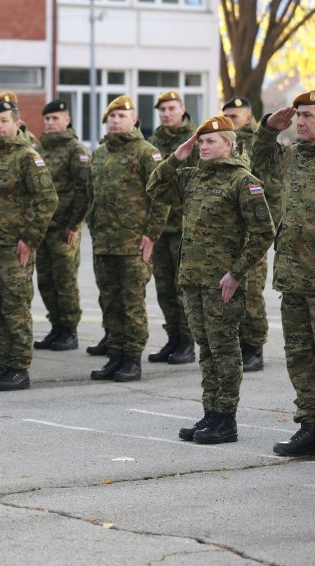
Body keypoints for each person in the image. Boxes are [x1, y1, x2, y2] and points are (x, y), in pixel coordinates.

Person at [148, 115, 274, 444]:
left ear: (229, 146)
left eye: (210, 142)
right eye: (201, 141)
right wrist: (177, 157)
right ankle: (210, 412)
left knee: (225, 350)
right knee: (205, 349)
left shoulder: (243, 181)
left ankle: (226, 419)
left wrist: (236, 273)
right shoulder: (192, 178)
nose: (203, 146)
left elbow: (264, 233)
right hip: (192, 278)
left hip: (223, 282)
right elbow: (155, 188)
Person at [0, 101, 58, 391]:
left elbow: (47, 199)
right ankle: (2, 363)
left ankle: (19, 367)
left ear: (17, 124)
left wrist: (30, 238)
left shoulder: (27, 157)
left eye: (3, 121)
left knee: (15, 307)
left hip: (12, 246)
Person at [252, 91, 315, 456]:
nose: (302, 121)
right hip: (293, 277)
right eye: (300, 115)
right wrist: (267, 130)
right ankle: (309, 426)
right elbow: (256, 161)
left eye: (309, 115)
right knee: (300, 355)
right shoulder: (293, 157)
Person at [88, 95, 167, 382]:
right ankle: (116, 354)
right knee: (109, 302)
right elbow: (91, 195)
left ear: (134, 120)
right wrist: (92, 224)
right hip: (104, 242)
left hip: (133, 243)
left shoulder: (146, 152)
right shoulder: (99, 154)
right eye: (111, 116)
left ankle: (132, 359)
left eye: (122, 115)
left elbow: (162, 197)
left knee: (132, 303)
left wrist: (151, 234)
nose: (115, 120)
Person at [33, 99, 89, 352]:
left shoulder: (75, 149)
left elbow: (84, 189)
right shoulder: (39, 150)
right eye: (47, 119)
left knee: (65, 280)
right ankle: (56, 326)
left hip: (64, 227)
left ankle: (69, 330)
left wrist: (74, 224)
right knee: (46, 280)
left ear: (67, 120)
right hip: (42, 227)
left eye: (55, 118)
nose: (50, 123)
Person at [222, 96, 273, 372]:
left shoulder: (258, 144)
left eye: (234, 116)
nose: (229, 120)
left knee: (251, 292)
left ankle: (254, 348)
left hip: (254, 232)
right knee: (232, 293)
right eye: (226, 115)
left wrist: (267, 233)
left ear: (247, 116)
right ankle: (239, 346)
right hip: (230, 233)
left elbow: (273, 191)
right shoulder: (226, 145)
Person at [146, 91, 197, 365]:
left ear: (182, 109)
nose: (166, 113)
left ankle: (187, 342)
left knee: (181, 289)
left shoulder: (195, 141)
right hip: (160, 229)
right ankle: (173, 338)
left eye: (171, 108)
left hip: (184, 227)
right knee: (164, 288)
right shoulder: (153, 142)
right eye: (162, 109)